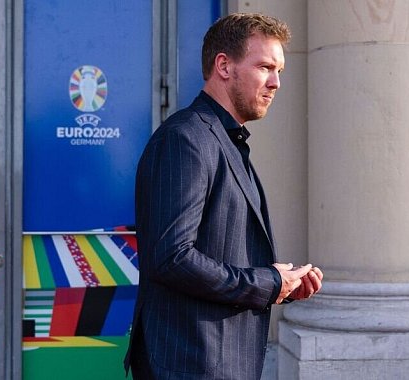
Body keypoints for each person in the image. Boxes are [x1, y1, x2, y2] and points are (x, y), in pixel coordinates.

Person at [125, 13, 323, 379]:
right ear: (224, 66)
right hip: (191, 365)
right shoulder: (186, 139)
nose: (276, 83)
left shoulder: (224, 140)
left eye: (279, 70)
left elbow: (222, 250)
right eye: (265, 67)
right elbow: (171, 258)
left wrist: (282, 285)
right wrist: (267, 282)